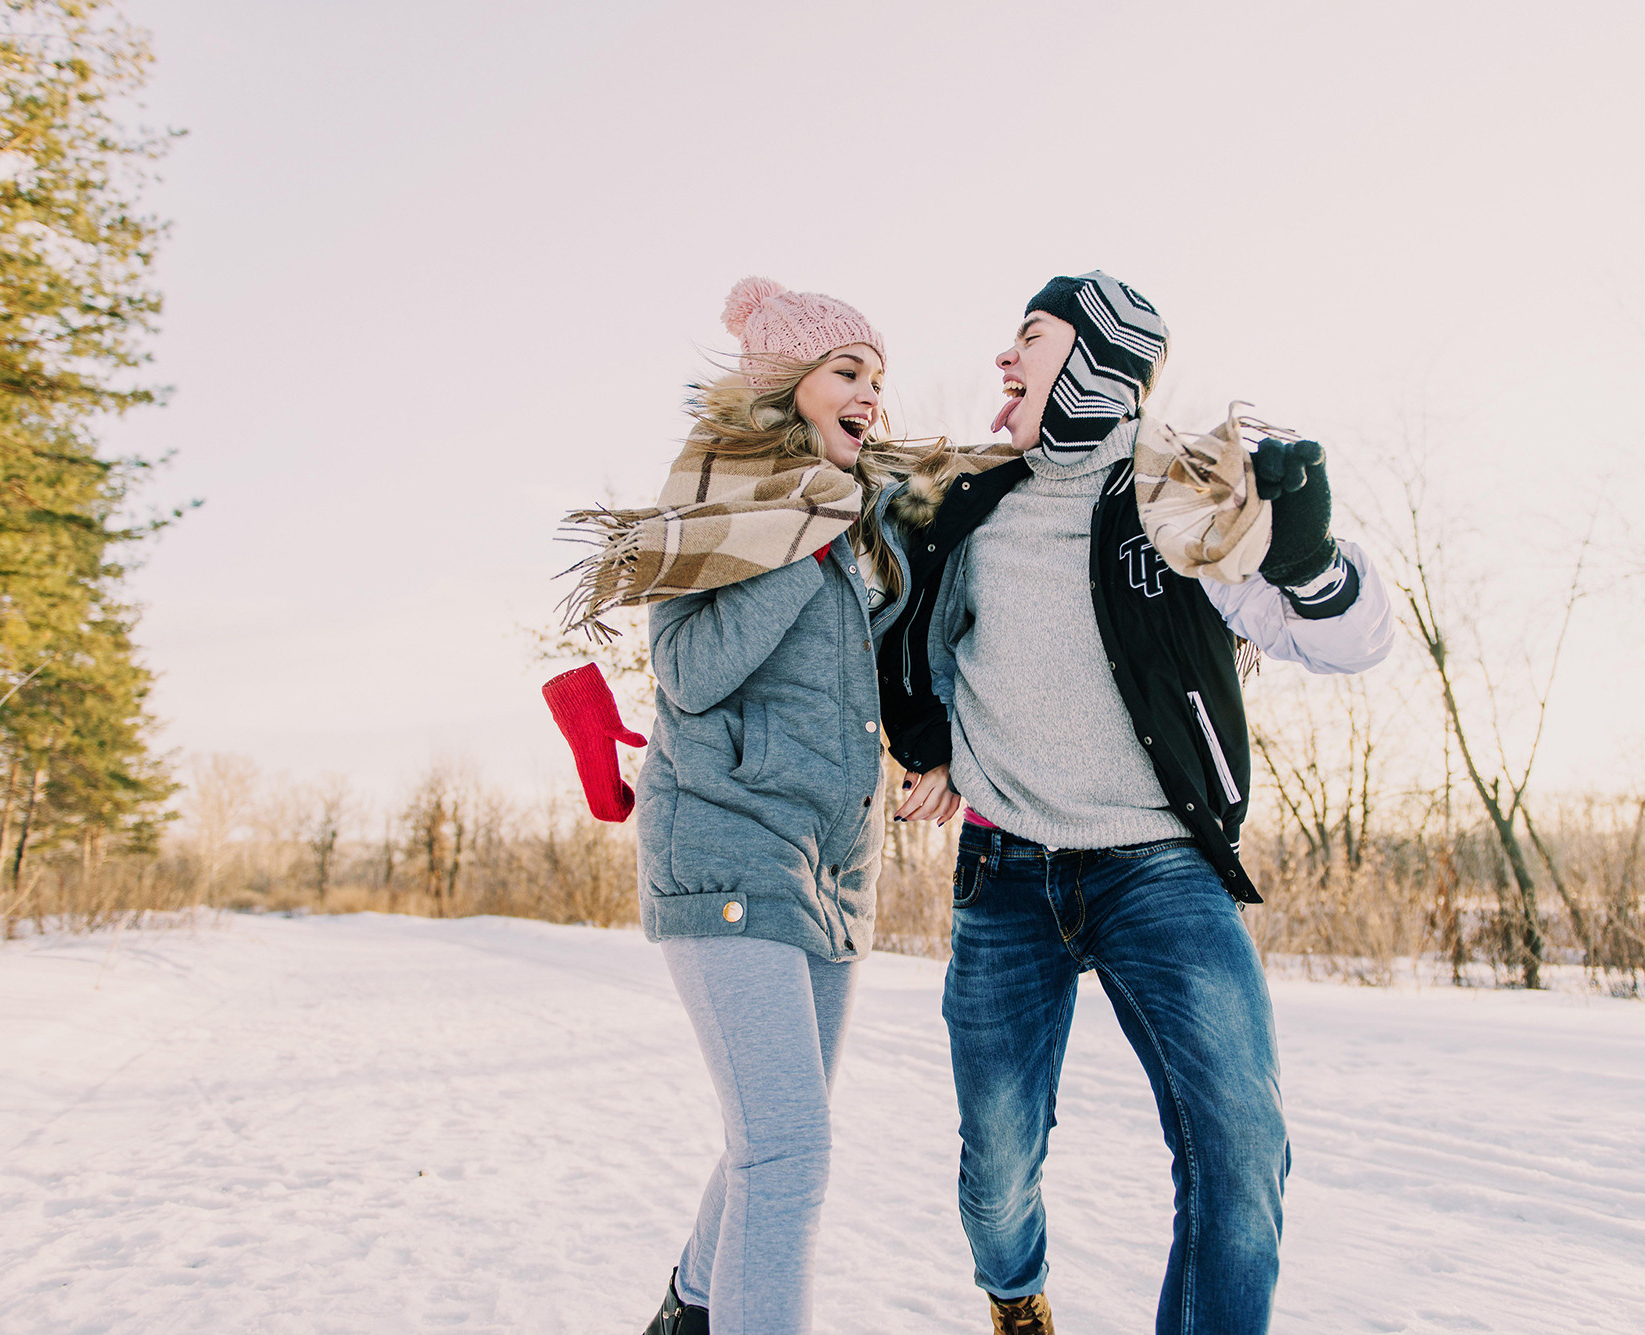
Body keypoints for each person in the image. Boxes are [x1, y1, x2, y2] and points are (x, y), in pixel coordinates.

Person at [872, 271, 1395, 1335]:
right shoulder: (967, 508)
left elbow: (1350, 638)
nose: (1001, 361)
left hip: (1158, 868)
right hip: (1004, 867)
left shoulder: (1179, 496)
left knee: (1240, 1147)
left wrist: (1309, 565)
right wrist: (928, 746)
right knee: (994, 1170)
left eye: (1027, 337)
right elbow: (907, 640)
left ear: (1098, 357)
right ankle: (1013, 1294)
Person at [556, 276, 904, 1335]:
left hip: (832, 868)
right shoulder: (716, 502)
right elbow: (692, 673)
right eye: (849, 372)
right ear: (785, 385)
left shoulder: (858, 516)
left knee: (772, 1139)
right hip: (722, 846)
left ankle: (689, 1311)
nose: (871, 396)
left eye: (877, 379)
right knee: (788, 1151)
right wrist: (797, 543)